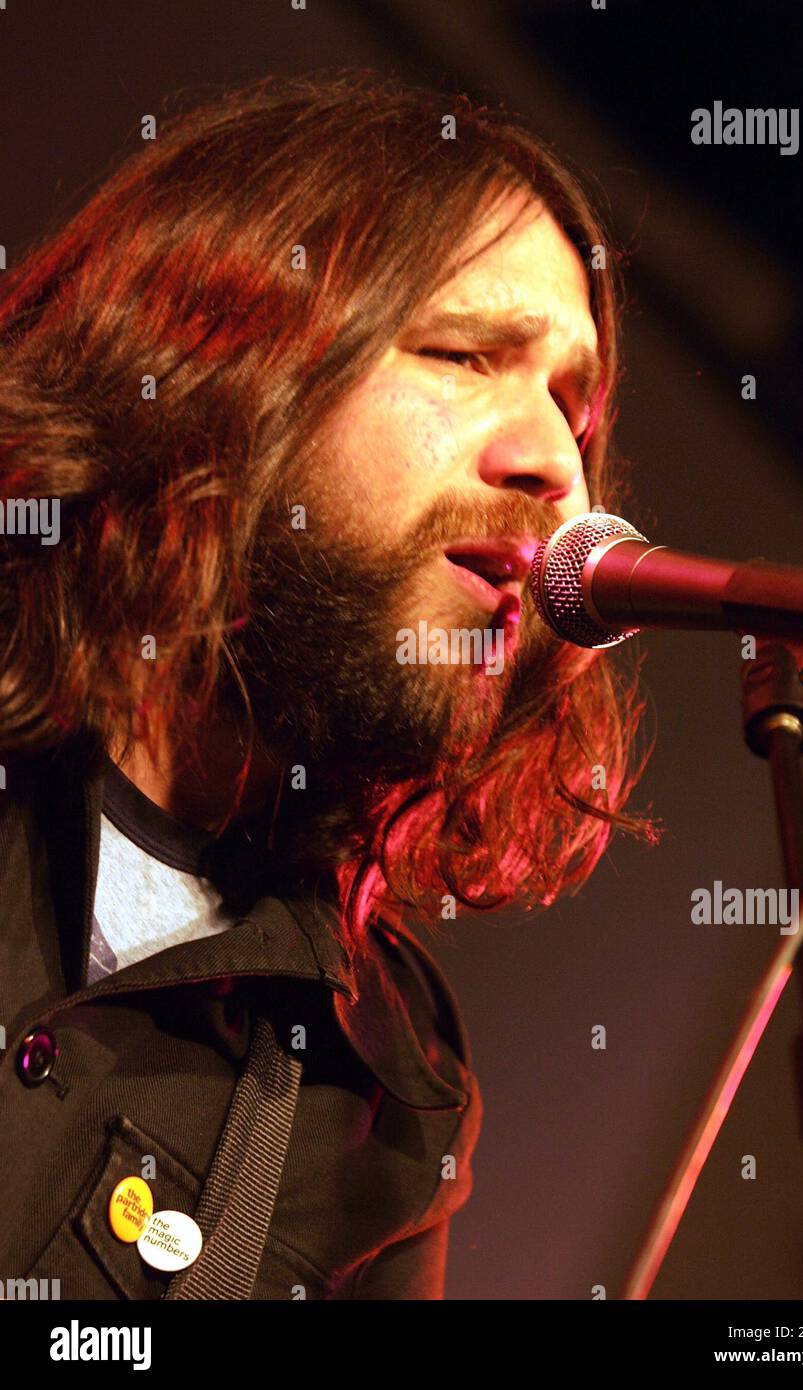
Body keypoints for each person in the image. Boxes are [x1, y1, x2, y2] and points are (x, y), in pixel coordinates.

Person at [0, 71, 650, 1300]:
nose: (554, 468)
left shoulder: (380, 1116)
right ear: (219, 359)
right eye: (465, 355)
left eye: (573, 410)